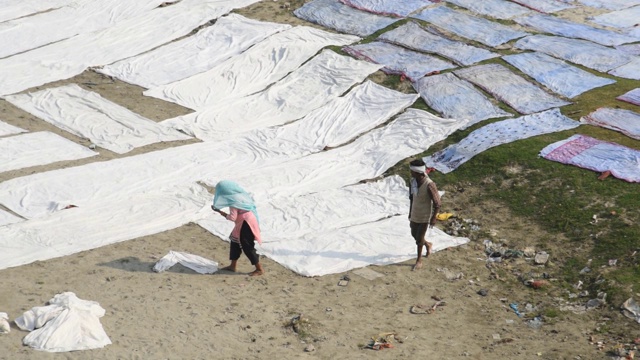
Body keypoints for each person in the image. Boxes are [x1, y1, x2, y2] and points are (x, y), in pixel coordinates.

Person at [211, 180, 265, 276]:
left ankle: (259, 269)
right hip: (248, 220)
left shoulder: (233, 201)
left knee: (247, 246)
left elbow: (232, 217)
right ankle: (233, 266)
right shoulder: (241, 195)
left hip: (246, 223)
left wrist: (220, 212)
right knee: (235, 242)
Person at [408, 159, 441, 271]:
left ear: (417, 172)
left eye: (412, 171)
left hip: (424, 215)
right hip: (415, 212)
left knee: (419, 239)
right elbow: (412, 198)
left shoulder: (429, 184)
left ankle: (419, 260)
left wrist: (433, 217)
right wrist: (410, 212)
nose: (410, 173)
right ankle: (427, 244)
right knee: (414, 234)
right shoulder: (412, 182)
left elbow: (437, 203)